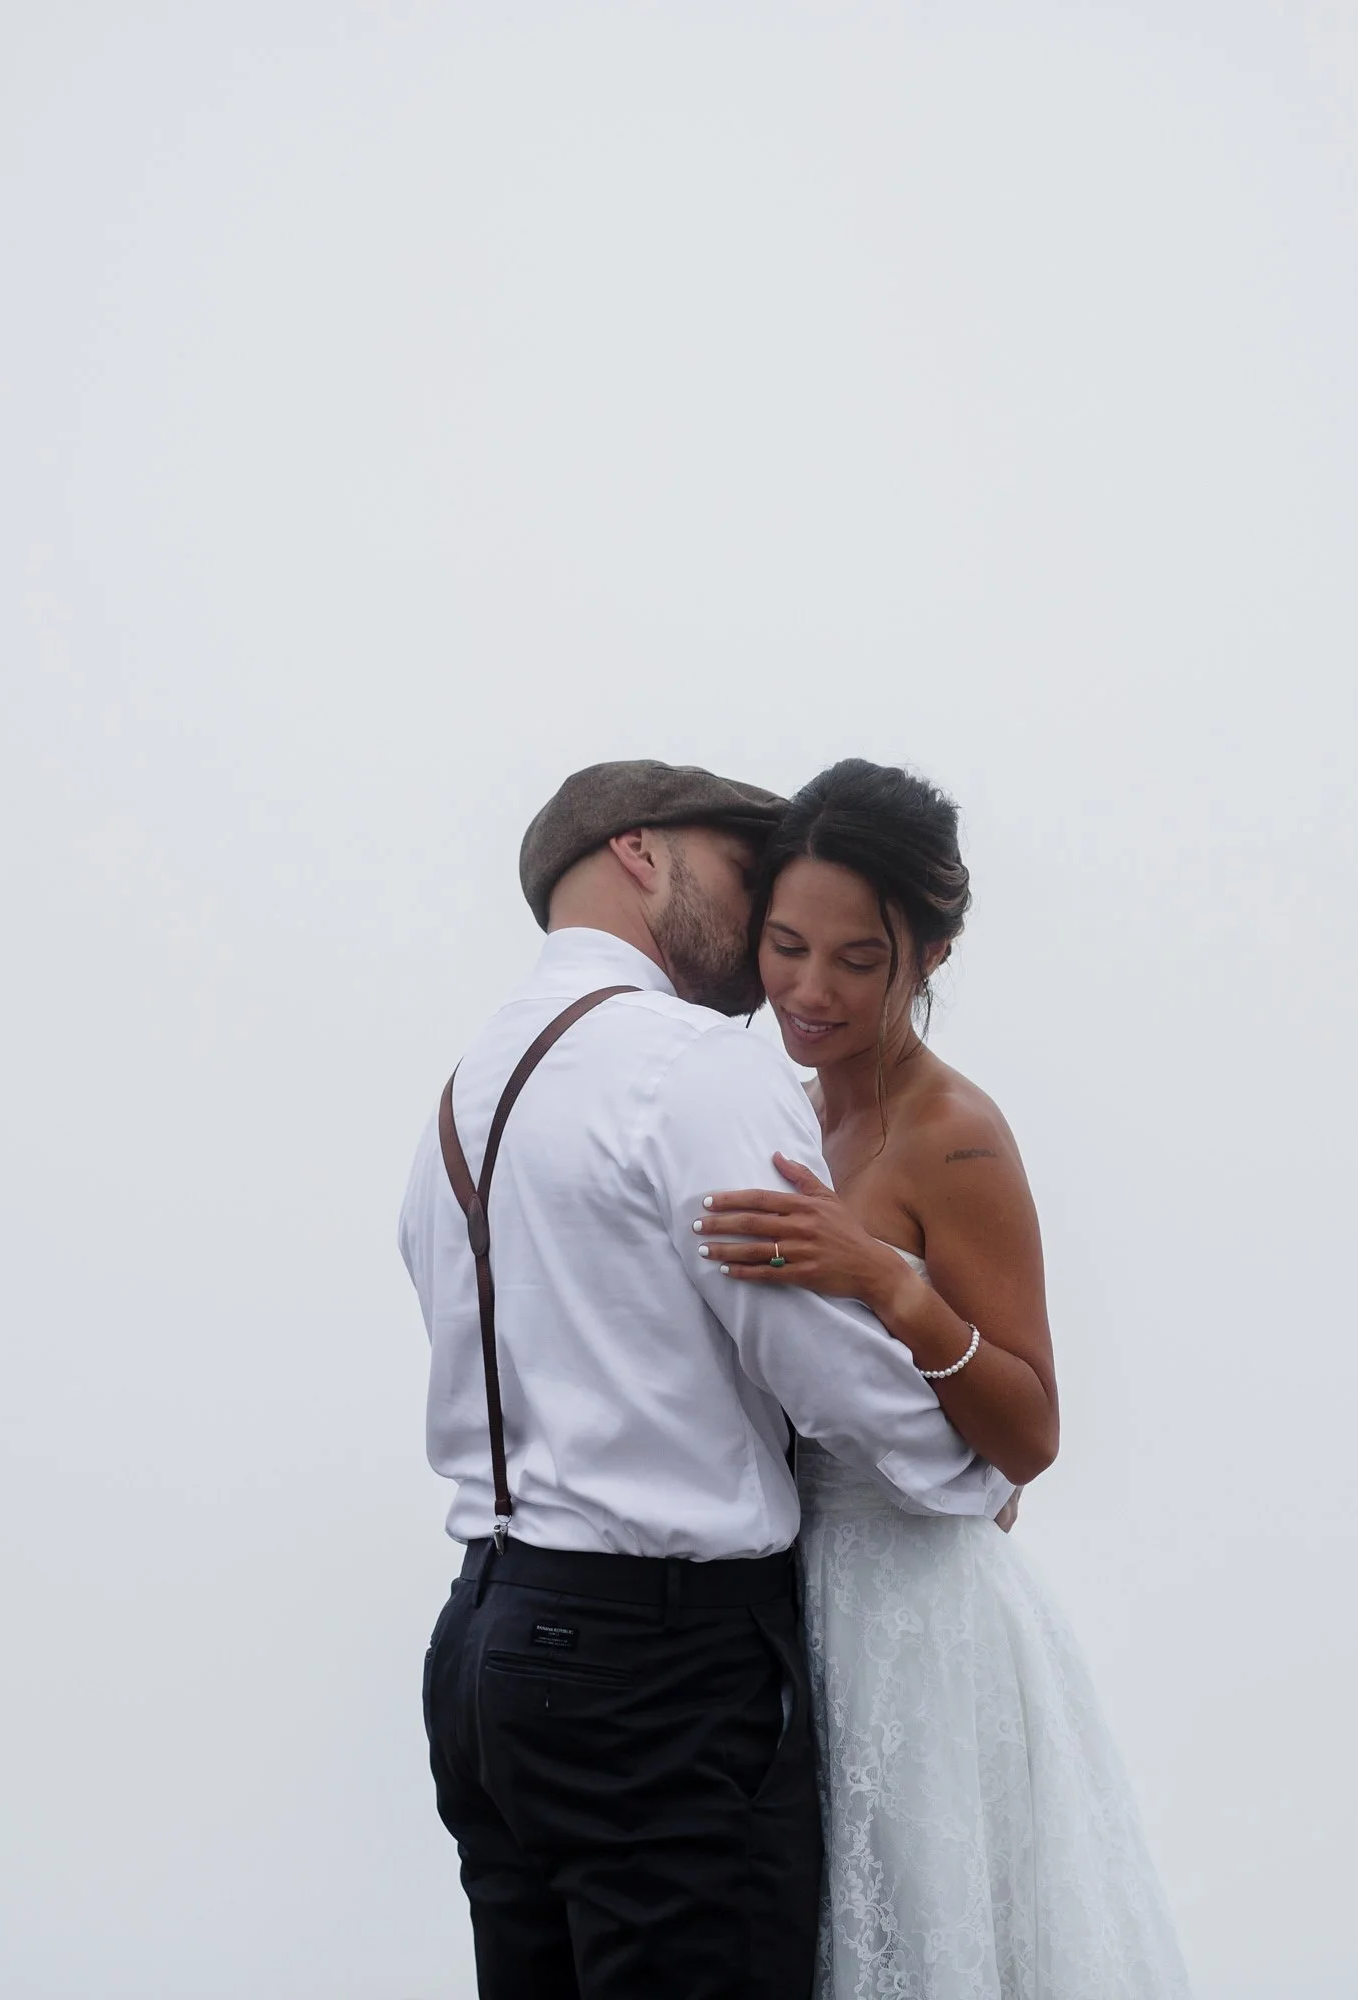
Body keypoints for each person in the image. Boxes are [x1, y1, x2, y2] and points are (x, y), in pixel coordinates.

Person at [398, 759, 1012, 2000]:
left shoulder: (465, 1089)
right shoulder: (689, 1062)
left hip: (482, 1647)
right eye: (744, 873)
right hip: (655, 1669)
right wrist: (971, 1470)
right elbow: (815, 1357)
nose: (761, 923)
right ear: (640, 851)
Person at [693, 759, 1192, 2000]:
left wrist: (888, 1282)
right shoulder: (780, 1112)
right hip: (784, 1606)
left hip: (920, 1626)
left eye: (857, 959)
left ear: (930, 955)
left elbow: (1030, 1433)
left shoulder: (952, 1134)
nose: (809, 989)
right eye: (785, 946)